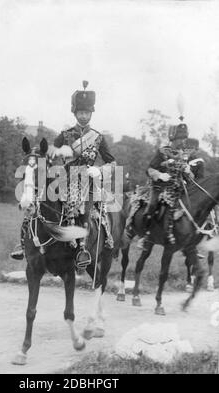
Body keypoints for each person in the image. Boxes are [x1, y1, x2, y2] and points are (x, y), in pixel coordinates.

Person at [11, 81, 116, 264]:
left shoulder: (98, 138)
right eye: (81, 113)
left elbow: (112, 162)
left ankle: (82, 249)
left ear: (91, 113)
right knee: (38, 203)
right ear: (75, 113)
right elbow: (50, 155)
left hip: (87, 182)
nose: (84, 116)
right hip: (64, 179)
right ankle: (23, 243)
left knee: (85, 210)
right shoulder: (65, 135)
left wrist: (98, 170)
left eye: (87, 113)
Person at [133, 118, 192, 247]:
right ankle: (145, 236)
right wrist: (160, 174)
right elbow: (149, 169)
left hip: (177, 189)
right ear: (173, 138)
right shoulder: (162, 152)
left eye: (184, 138)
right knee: (152, 206)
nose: (183, 141)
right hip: (160, 188)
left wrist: (188, 171)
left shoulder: (183, 155)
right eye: (180, 138)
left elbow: (189, 177)